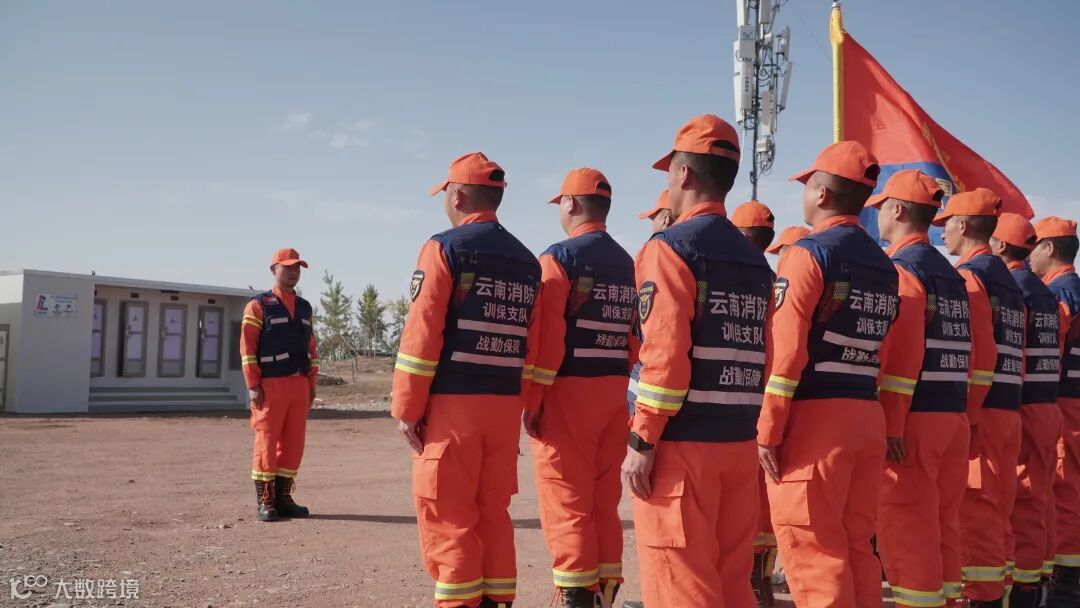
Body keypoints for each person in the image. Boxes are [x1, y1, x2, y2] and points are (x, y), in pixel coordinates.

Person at [621, 114, 773, 608]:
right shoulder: (756, 261)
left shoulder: (669, 250)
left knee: (681, 585)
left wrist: (643, 439)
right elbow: (766, 354)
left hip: (681, 451)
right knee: (730, 584)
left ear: (683, 173)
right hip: (737, 444)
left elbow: (663, 357)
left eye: (669, 171)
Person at [391, 152, 542, 608]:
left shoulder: (445, 248)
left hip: (453, 409)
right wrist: (523, 403)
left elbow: (422, 335)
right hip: (503, 408)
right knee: (492, 515)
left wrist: (407, 409)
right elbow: (533, 346)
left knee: (449, 517)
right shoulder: (528, 262)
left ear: (456, 196)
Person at [757, 140, 898, 608]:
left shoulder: (808, 254)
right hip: (865, 415)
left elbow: (786, 354)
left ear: (820, 193)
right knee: (857, 547)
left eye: (806, 185)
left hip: (815, 425)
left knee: (815, 553)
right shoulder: (885, 264)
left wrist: (768, 429)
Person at [527, 168, 636, 608]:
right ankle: (605, 592)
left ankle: (576, 596)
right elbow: (635, 338)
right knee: (603, 502)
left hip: (568, 393)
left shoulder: (557, 259)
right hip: (614, 391)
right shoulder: (630, 264)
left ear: (570, 204)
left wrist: (532, 402)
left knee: (567, 500)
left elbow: (546, 340)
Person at [868, 170, 973, 607]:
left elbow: (899, 354)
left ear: (896, 210)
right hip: (952, 416)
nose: (877, 218)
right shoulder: (952, 276)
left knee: (909, 531)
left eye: (880, 209)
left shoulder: (902, 270)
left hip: (913, 422)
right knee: (943, 525)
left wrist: (890, 424)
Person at [935, 189, 1023, 607]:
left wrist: (968, 416)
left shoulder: (971, 278)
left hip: (981, 412)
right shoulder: (1008, 279)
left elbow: (977, 351)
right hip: (1008, 409)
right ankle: (999, 594)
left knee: (977, 512)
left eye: (946, 224)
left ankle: (983, 597)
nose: (942, 234)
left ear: (964, 225)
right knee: (999, 510)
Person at [990, 213, 1066, 607]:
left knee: (1016, 500)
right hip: (1046, 404)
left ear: (1001, 245)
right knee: (1039, 497)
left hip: (1020, 406)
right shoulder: (1046, 293)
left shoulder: (1013, 289)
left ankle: (1019, 588)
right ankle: (1034, 584)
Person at [240, 247, 319, 522]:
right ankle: (266, 499)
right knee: (267, 441)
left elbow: (311, 348)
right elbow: (247, 348)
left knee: (294, 444)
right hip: (270, 385)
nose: (294, 272)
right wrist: (253, 384)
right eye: (288, 267)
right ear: (274, 269)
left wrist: (311, 384)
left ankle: (283, 498)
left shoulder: (305, 307)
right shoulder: (258, 305)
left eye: (297, 267)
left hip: (299, 385)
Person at [1029, 216, 1080, 606]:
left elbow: (1050, 352)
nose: (1028, 255)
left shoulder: (1059, 295)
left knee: (1063, 488)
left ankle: (1065, 579)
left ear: (1049, 248)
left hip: (1063, 402)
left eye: (1033, 246)